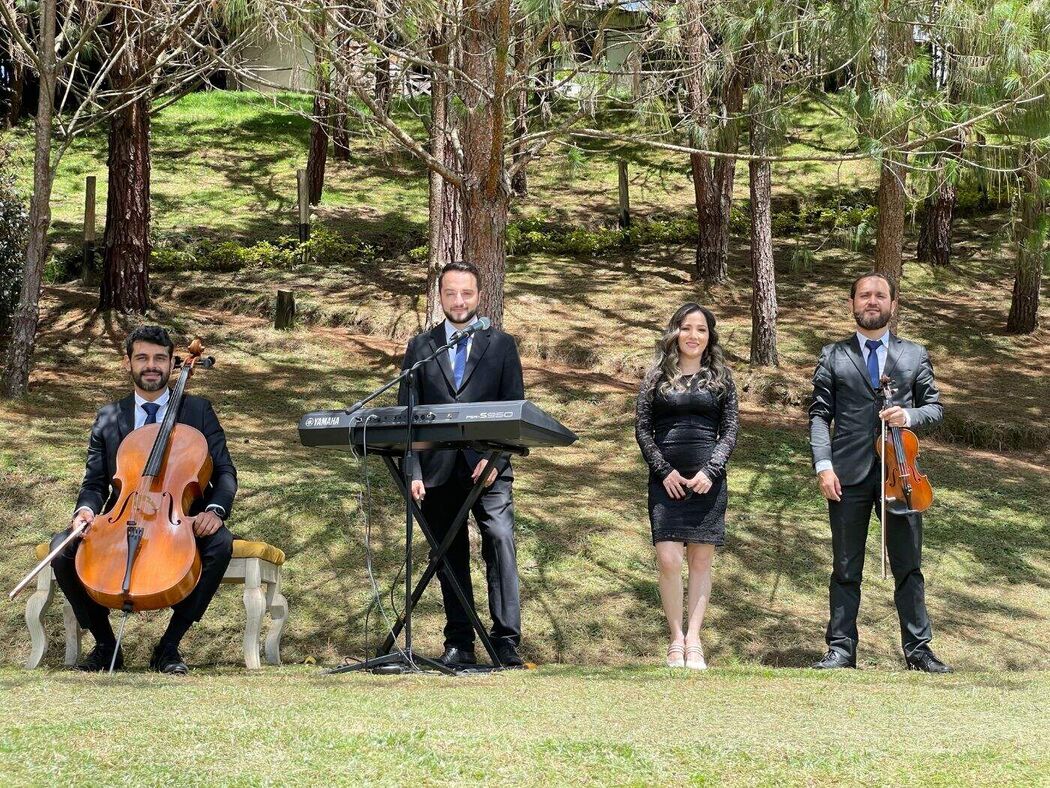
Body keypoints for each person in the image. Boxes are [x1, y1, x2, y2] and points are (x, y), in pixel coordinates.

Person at [50, 325, 237, 674]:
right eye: (142, 358)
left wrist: (215, 510)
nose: (151, 366)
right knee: (63, 548)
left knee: (221, 544)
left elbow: (224, 471)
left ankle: (169, 646)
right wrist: (86, 511)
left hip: (181, 520)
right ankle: (107, 646)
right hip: (121, 519)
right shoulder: (108, 416)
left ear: (171, 363)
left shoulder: (198, 411)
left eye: (160, 358)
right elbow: (95, 482)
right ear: (128, 363)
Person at [809, 272, 951, 672]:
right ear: (852, 303)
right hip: (847, 473)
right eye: (864, 295)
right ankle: (841, 649)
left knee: (909, 566)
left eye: (880, 295)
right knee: (845, 566)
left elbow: (935, 407)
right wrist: (824, 465)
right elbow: (820, 415)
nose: (872, 301)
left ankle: (919, 650)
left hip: (901, 474)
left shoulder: (915, 354)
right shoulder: (833, 355)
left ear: (893, 304)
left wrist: (908, 414)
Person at [399, 261, 526, 668]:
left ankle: (505, 640)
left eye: (466, 293)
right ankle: (460, 642)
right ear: (440, 297)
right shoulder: (421, 348)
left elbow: (515, 412)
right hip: (436, 469)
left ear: (479, 295)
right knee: (448, 555)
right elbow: (407, 416)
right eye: (451, 293)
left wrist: (494, 459)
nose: (459, 301)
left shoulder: (501, 345)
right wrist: (414, 471)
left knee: (500, 540)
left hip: (487, 468)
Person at [635, 303, 738, 670]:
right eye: (687, 327)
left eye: (701, 329)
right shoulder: (654, 378)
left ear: (709, 337)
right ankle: (674, 639)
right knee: (668, 559)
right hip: (666, 481)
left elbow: (730, 430)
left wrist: (711, 470)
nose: (693, 335)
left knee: (701, 560)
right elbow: (643, 429)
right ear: (675, 332)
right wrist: (663, 471)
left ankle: (694, 641)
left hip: (708, 482)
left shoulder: (722, 377)